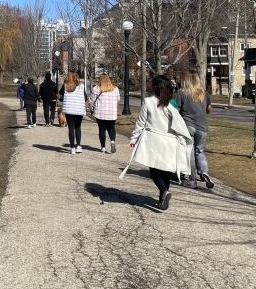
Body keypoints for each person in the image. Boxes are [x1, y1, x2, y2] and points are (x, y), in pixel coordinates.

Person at [128, 75, 192, 211]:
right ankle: (162, 199)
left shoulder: (148, 101)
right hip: (170, 142)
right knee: (165, 171)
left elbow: (141, 122)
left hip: (154, 140)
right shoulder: (172, 105)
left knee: (154, 170)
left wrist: (134, 139)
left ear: (155, 87)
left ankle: (164, 192)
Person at [175, 71, 214, 189]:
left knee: (190, 153)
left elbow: (175, 109)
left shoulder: (181, 93)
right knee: (200, 151)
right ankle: (204, 172)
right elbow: (209, 109)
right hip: (202, 127)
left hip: (188, 125)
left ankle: (192, 181)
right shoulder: (204, 93)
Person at [90, 74, 120, 154]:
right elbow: (118, 99)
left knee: (102, 129)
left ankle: (103, 147)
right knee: (111, 128)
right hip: (111, 113)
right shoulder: (115, 89)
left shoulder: (96, 88)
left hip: (100, 113)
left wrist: (91, 107)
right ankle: (112, 141)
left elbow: (92, 100)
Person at [59, 71, 87, 154]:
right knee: (78, 127)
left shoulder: (65, 86)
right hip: (79, 109)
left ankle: (72, 148)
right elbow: (85, 98)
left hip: (69, 110)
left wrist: (62, 98)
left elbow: (61, 97)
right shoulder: (81, 86)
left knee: (71, 128)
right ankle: (78, 146)